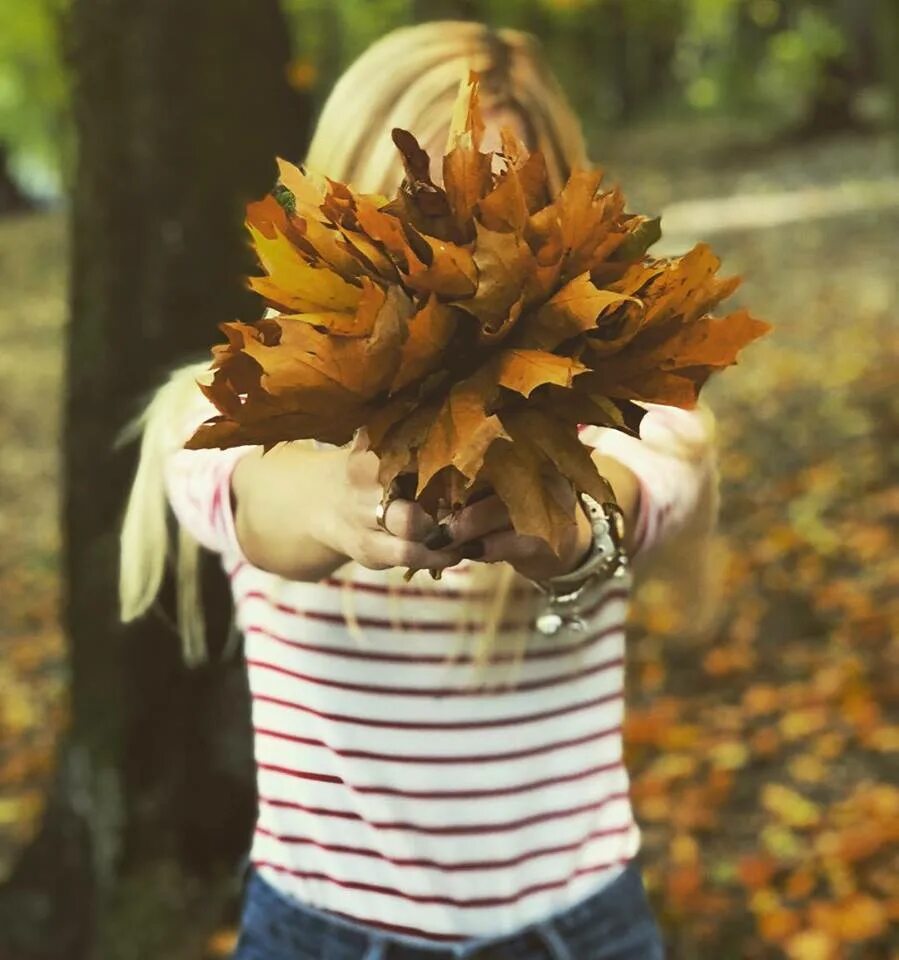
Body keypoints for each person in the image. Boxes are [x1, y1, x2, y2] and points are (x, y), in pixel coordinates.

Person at [120, 20, 721, 960]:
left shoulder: (624, 408)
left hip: (578, 930)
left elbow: (647, 486)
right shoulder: (229, 405)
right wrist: (343, 500)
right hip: (316, 931)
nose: (461, 251)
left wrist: (562, 521)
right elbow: (258, 499)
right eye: (418, 204)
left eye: (504, 204)